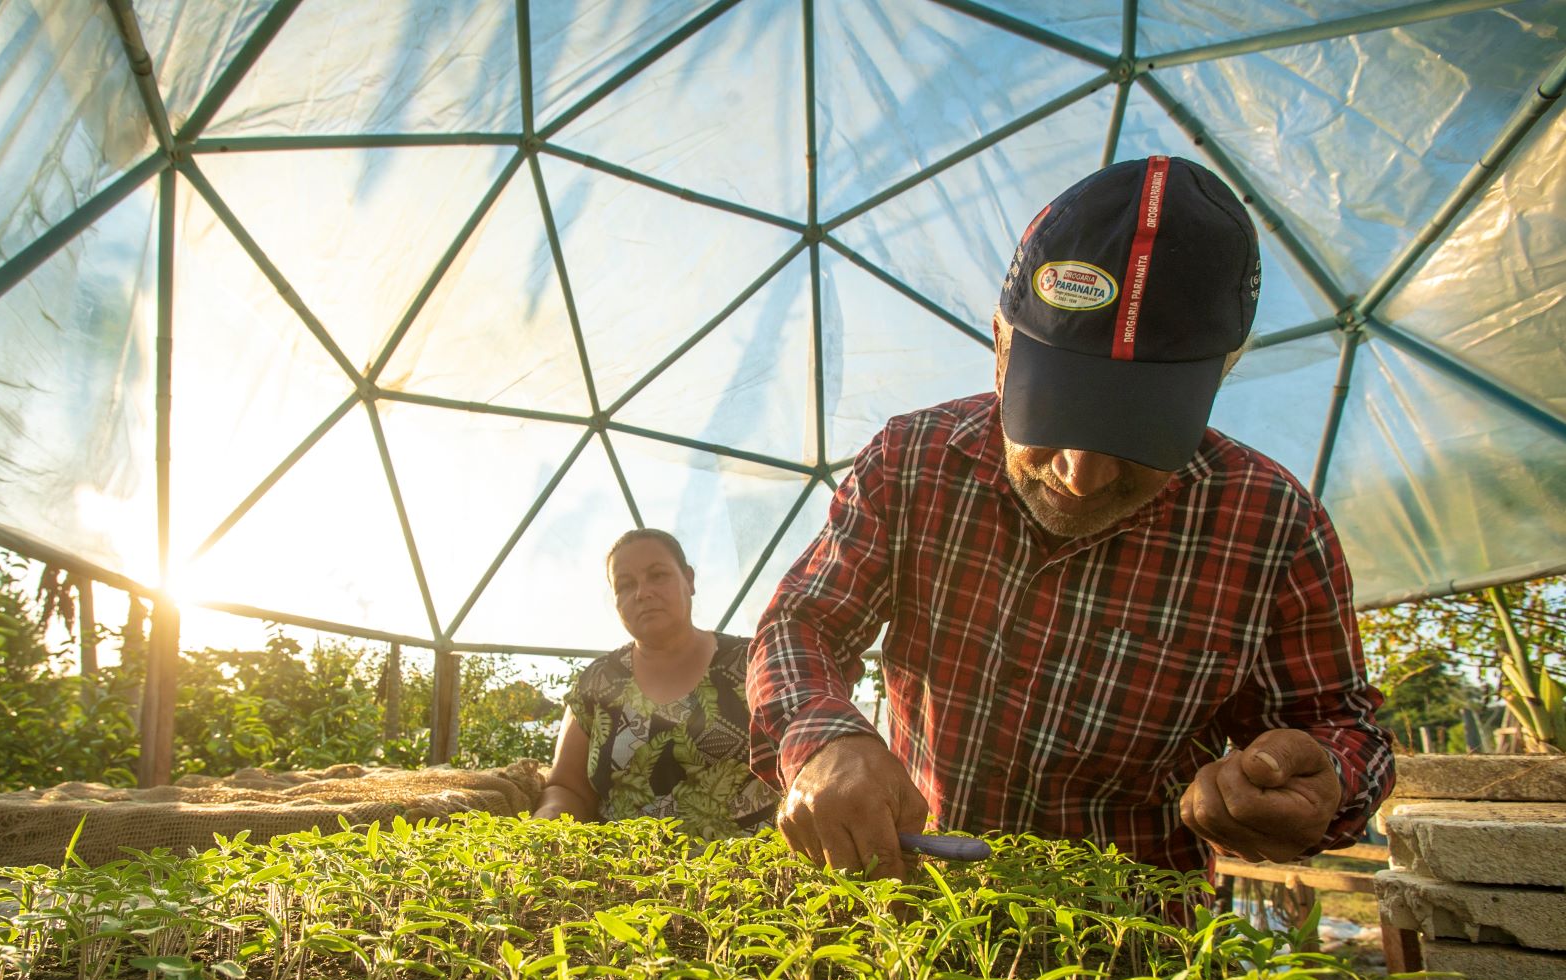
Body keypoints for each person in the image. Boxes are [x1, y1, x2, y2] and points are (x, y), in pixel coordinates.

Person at [748, 155, 1394, 880]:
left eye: (1138, 435)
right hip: (919, 906)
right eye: (1050, 416)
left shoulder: (1271, 526)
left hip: (1133, 946)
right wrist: (825, 737)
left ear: (1223, 372)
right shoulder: (912, 461)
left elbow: (1339, 724)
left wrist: (1320, 781)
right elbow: (804, 622)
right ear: (1000, 345)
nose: (1081, 476)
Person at [532, 528, 779, 837]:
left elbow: (807, 760)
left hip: (755, 876)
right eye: (625, 585)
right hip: (627, 877)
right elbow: (567, 786)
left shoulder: (754, 661)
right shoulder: (598, 682)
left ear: (689, 580)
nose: (642, 593)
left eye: (658, 575)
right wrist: (550, 816)